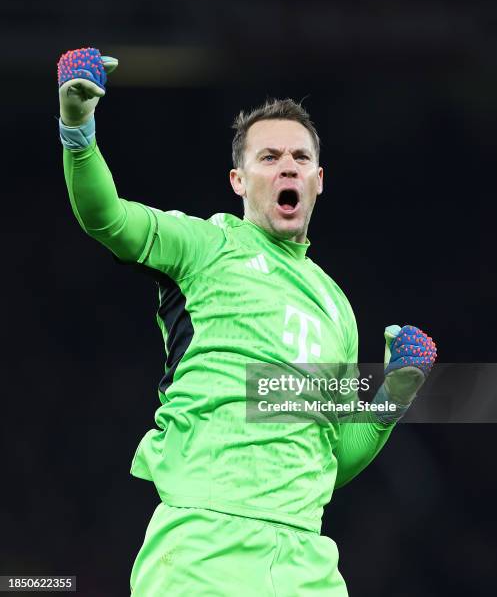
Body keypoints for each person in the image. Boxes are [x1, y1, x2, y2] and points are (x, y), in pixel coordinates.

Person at [57, 48, 437, 596]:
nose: (288, 166)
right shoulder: (207, 245)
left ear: (319, 180)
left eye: (301, 158)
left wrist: (392, 398)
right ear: (238, 180)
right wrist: (77, 128)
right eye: (270, 157)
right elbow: (107, 217)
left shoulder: (337, 307)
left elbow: (330, 461)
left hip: (308, 565)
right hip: (204, 548)